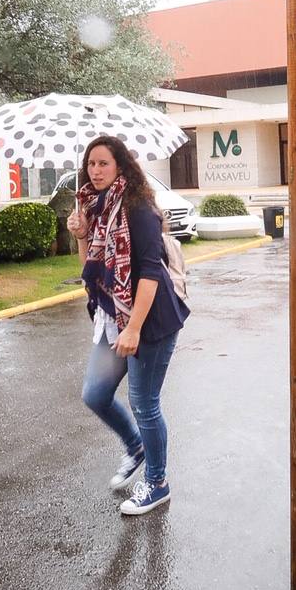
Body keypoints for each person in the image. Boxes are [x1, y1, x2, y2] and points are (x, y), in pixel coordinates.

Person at [68, 135, 190, 516]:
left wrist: (134, 328)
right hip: (113, 317)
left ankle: (157, 483)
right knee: (95, 394)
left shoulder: (138, 208)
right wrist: (82, 235)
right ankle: (136, 446)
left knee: (144, 403)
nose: (96, 170)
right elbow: (91, 273)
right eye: (91, 164)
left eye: (103, 163)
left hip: (149, 320)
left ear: (121, 165)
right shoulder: (96, 207)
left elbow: (151, 270)